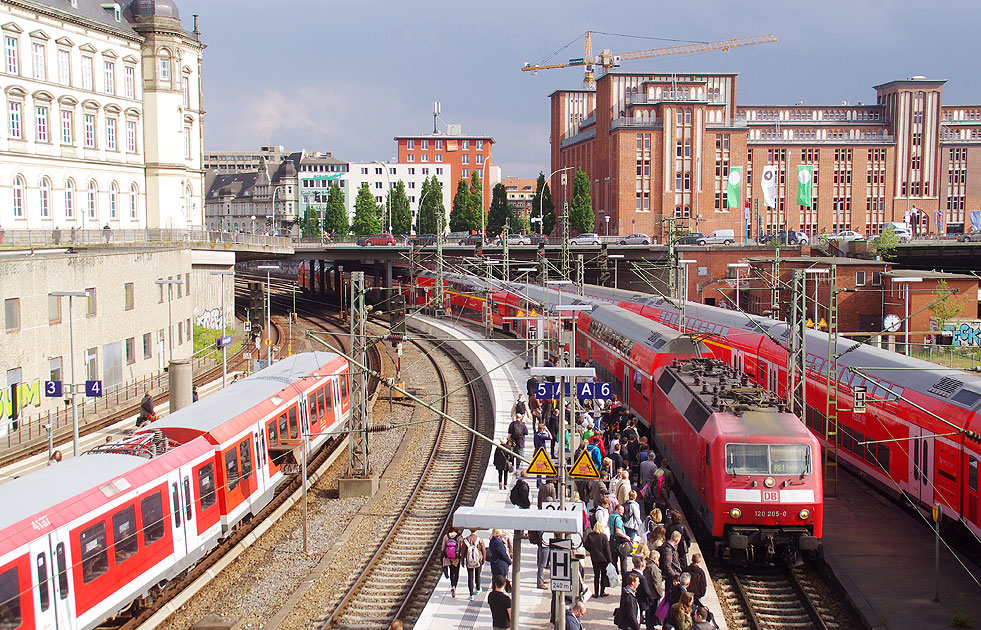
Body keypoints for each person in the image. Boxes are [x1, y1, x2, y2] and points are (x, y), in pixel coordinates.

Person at [584, 522, 612, 597]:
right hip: (604, 559)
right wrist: (610, 560)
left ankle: (596, 592)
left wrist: (591, 551)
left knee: (596, 575)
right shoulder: (604, 537)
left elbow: (586, 545)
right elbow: (607, 549)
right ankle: (602, 591)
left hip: (595, 558)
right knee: (603, 575)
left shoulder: (590, 535)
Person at [628, 555, 657, 626]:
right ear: (641, 567)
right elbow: (647, 591)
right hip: (640, 601)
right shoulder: (642, 578)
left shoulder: (626, 574)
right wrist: (651, 600)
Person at [463, 529, 486, 600]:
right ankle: (478, 588)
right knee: (477, 575)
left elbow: (463, 551)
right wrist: (483, 560)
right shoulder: (480, 539)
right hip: (478, 560)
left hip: (469, 561)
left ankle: (471, 594)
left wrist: (462, 561)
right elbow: (483, 551)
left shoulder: (466, 540)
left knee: (470, 577)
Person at [440, 527, 463, 597]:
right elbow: (461, 548)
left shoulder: (446, 536)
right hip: (456, 558)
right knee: (456, 573)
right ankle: (454, 587)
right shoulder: (459, 537)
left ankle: (452, 585)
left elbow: (442, 548)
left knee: (451, 572)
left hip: (449, 558)